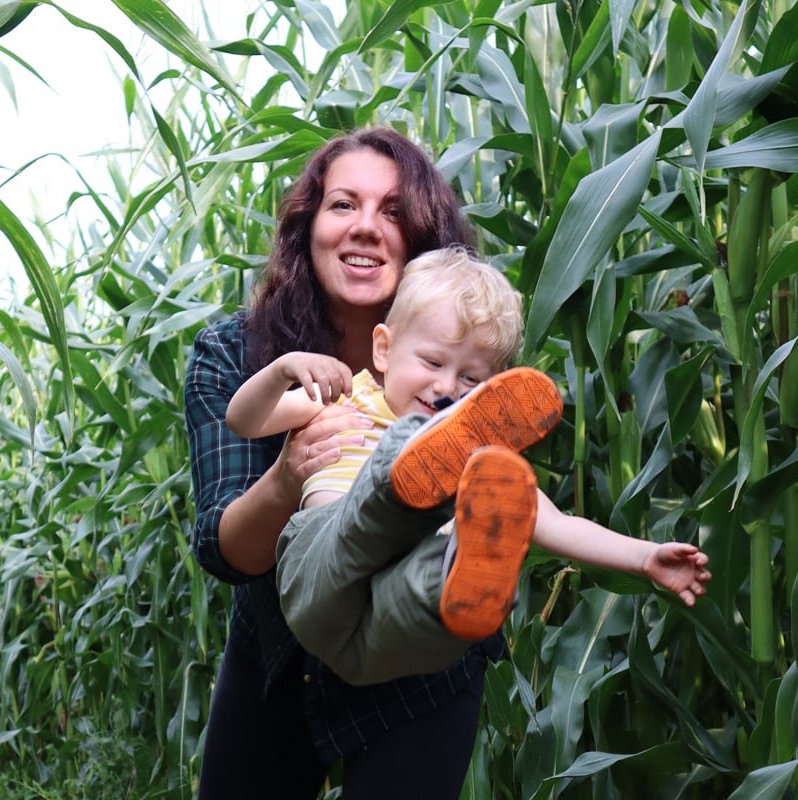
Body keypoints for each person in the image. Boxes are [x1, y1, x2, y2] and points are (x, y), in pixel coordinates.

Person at [225, 248, 711, 687]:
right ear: (384, 349)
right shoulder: (350, 397)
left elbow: (556, 524)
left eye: (471, 378)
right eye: (433, 361)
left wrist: (645, 558)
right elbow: (245, 420)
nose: (447, 387)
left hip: (387, 631)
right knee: (393, 475)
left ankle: (459, 565)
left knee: (442, 579)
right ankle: (409, 460)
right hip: (322, 574)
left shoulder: (476, 459)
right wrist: (284, 369)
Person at [185, 127, 501, 799]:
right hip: (279, 646)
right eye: (343, 205)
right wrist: (289, 476)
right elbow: (224, 549)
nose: (366, 228)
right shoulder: (235, 359)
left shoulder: (464, 367)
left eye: (392, 211)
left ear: (422, 238)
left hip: (420, 656)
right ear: (309, 227)